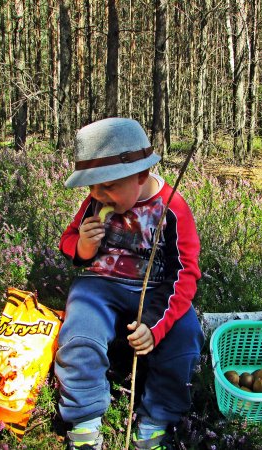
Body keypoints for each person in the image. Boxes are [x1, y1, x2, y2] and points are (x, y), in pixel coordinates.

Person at [55, 117, 204, 450]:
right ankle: (84, 417)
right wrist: (83, 247)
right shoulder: (95, 202)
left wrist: (154, 324)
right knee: (79, 331)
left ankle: (157, 418)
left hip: (156, 291)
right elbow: (69, 240)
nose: (97, 195)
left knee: (185, 337)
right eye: (91, 187)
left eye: (107, 186)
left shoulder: (172, 208)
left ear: (141, 174)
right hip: (100, 286)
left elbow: (185, 272)